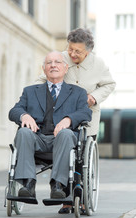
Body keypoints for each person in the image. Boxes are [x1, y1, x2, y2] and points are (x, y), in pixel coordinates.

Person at [36, 28, 116, 213]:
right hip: (59, 118)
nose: (72, 54)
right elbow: (41, 80)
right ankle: (65, 199)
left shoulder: (99, 64)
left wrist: (94, 97)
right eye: (70, 49)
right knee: (62, 150)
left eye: (77, 51)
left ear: (88, 51)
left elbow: (109, 84)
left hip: (86, 118)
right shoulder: (61, 58)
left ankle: (79, 197)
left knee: (80, 158)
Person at [9, 51, 92, 200]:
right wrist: (24, 115)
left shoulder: (78, 93)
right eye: (49, 63)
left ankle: (58, 185)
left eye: (57, 62)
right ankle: (28, 184)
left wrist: (69, 119)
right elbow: (14, 111)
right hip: (37, 138)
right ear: (44, 69)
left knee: (67, 133)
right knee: (23, 132)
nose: (53, 65)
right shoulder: (30, 91)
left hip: (62, 140)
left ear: (66, 68)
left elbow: (86, 113)